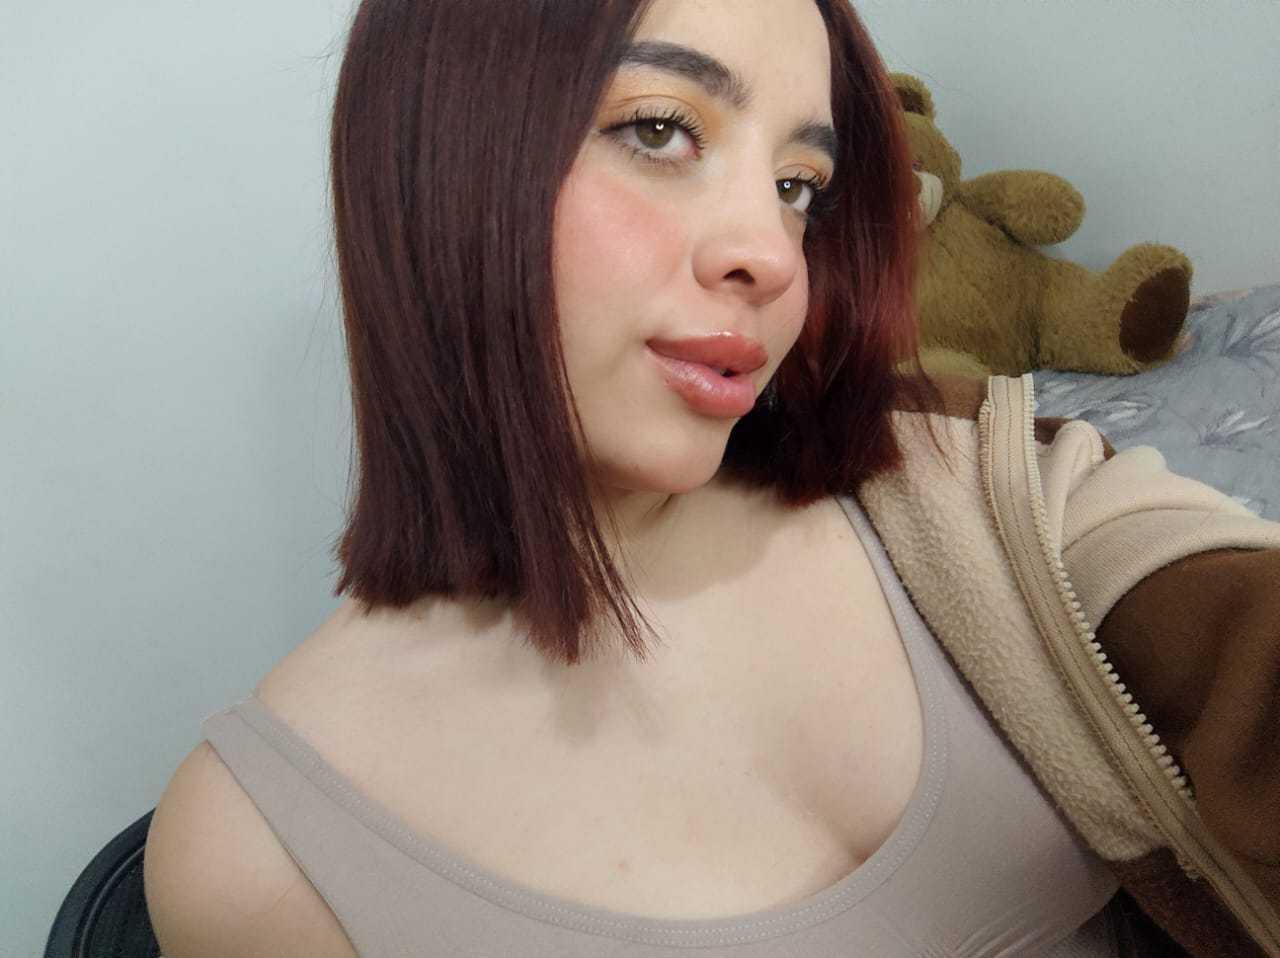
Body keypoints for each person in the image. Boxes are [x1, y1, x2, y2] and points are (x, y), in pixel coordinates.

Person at [141, 0, 1280, 955]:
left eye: (798, 185)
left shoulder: (957, 477)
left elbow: (1226, 619)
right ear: (436, 162)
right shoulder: (256, 854)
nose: (773, 255)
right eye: (660, 129)